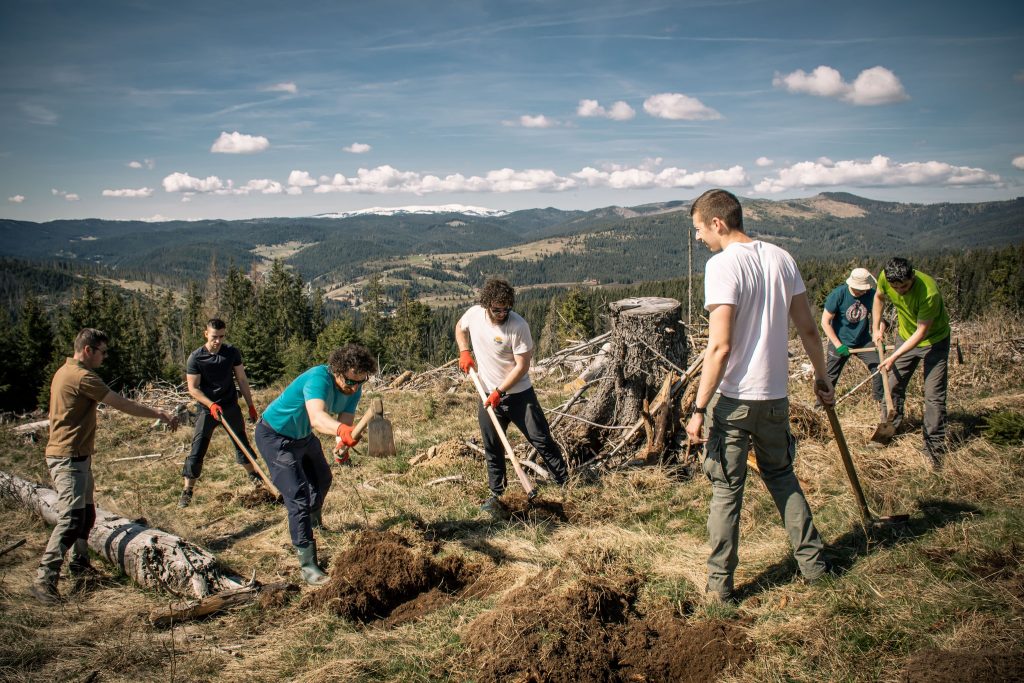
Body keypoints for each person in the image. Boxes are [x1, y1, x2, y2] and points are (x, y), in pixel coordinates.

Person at [684, 189, 834, 604]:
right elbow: (808, 329)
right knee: (782, 477)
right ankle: (815, 566)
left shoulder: (722, 266)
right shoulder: (782, 258)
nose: (698, 239)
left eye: (699, 229)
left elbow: (720, 347)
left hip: (734, 398)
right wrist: (823, 379)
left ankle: (719, 589)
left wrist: (698, 410)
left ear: (718, 223)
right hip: (775, 397)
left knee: (727, 491)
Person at [31, 328, 179, 604]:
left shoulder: (65, 370)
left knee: (86, 514)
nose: (104, 357)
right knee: (72, 518)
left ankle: (80, 564)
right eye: (102, 351)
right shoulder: (82, 376)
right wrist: (158, 413)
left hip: (77, 456)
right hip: (68, 457)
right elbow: (119, 403)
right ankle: (44, 578)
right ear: (88, 350)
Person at [253, 344, 377, 585]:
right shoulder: (318, 378)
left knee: (322, 478)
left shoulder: (354, 389)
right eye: (351, 382)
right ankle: (308, 564)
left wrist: (341, 445)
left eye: (360, 382)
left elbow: (345, 422)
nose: (354, 388)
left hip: (302, 437)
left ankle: (313, 522)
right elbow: (318, 418)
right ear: (337, 371)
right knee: (297, 495)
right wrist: (342, 431)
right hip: (275, 436)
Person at [456, 278, 569, 520]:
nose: (502, 313)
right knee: (493, 446)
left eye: (506, 308)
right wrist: (464, 351)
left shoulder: (518, 326)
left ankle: (565, 484)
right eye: (496, 309)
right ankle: (498, 495)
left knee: (540, 439)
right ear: (486, 305)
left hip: (518, 395)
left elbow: (522, 366)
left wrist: (500, 391)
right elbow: (460, 327)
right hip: (486, 395)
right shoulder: (475, 315)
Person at [872, 257, 951, 467]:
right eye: (895, 287)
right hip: (905, 337)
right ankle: (887, 432)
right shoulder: (884, 278)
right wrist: (875, 328)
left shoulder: (929, 292)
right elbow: (879, 298)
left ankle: (933, 448)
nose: (900, 290)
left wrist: (894, 355)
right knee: (892, 386)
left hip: (934, 342)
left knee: (934, 396)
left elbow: (922, 332)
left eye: (904, 286)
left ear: (912, 276)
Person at [179, 318, 261, 508]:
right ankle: (187, 490)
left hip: (230, 406)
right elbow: (193, 388)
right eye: (215, 337)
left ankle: (254, 477)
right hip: (207, 411)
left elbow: (241, 378)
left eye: (222, 337)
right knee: (198, 448)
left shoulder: (231, 352)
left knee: (242, 444)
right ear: (206, 333)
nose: (218, 341)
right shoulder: (196, 357)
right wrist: (210, 405)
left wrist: (250, 405)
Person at [820, 268, 885, 414]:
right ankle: (820, 409)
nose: (862, 292)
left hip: (863, 341)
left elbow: (879, 318)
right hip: (839, 340)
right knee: (830, 376)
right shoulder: (838, 294)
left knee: (880, 369)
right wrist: (838, 345)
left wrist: (879, 334)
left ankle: (881, 405)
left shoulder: (872, 295)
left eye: (864, 289)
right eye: (859, 289)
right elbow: (825, 322)